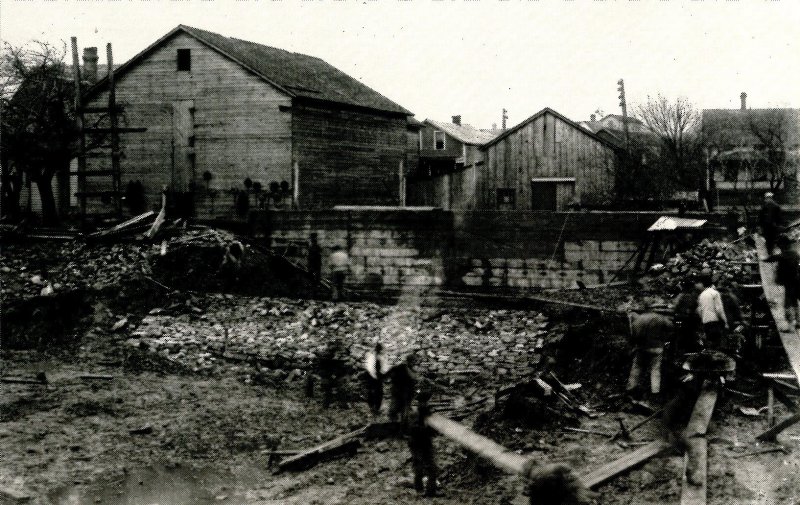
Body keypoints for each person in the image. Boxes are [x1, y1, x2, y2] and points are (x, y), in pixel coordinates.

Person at [626, 301, 673, 399]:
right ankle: (655, 392)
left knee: (637, 367)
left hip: (642, 347)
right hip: (657, 347)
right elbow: (671, 328)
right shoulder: (662, 318)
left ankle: (631, 389)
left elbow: (634, 334)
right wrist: (664, 339)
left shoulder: (640, 319)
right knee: (655, 370)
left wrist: (635, 344)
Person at [408, 388, 437, 497]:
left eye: (427, 401)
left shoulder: (427, 412)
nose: (427, 403)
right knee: (419, 467)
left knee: (431, 468)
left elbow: (432, 429)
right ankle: (419, 490)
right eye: (425, 401)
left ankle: (430, 491)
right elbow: (412, 430)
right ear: (421, 402)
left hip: (425, 443)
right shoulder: (415, 414)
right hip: (417, 444)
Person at [696, 273, 728, 349]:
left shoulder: (701, 295)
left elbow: (699, 310)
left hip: (705, 322)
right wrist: (725, 322)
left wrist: (703, 318)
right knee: (717, 345)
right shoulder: (715, 293)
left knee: (709, 344)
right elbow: (719, 309)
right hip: (715, 322)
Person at [775, 235, 800, 329]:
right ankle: (798, 321)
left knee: (787, 303)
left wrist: (764, 259)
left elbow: (774, 258)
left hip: (789, 282)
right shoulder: (795, 254)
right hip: (796, 281)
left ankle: (790, 326)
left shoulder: (785, 255)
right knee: (794, 302)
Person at [673, 278, 702, 355]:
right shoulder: (692, 296)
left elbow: (675, 306)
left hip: (682, 319)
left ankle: (681, 352)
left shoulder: (681, 296)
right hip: (690, 320)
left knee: (682, 337)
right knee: (690, 337)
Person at [388, 354, 417, 424]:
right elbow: (413, 378)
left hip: (404, 393)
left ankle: (401, 425)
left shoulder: (409, 369)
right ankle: (395, 425)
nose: (414, 363)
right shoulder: (401, 368)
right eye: (414, 361)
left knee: (403, 410)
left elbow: (413, 380)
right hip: (400, 392)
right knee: (396, 409)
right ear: (410, 361)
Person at [318, 338, 345, 408]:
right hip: (327, 375)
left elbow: (339, 367)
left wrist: (335, 374)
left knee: (335, 388)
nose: (332, 347)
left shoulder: (335, 355)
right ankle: (327, 404)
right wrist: (331, 375)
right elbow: (323, 367)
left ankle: (335, 404)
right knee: (328, 389)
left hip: (332, 375)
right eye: (331, 346)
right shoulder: (326, 356)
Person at [364, 342, 385, 416]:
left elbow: (383, 367)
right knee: (371, 392)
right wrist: (374, 376)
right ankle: (372, 407)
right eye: (378, 349)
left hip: (379, 377)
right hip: (371, 377)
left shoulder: (381, 357)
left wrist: (381, 375)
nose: (379, 351)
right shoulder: (371, 357)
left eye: (380, 350)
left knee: (379, 393)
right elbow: (369, 368)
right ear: (376, 349)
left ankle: (377, 408)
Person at [759, 192, 782, 257]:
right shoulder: (773, 206)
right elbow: (761, 218)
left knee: (770, 240)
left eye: (767, 198)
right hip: (770, 227)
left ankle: (770, 253)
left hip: (769, 227)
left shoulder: (767, 206)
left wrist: (761, 225)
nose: (766, 199)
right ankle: (770, 253)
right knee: (770, 240)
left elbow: (761, 217)